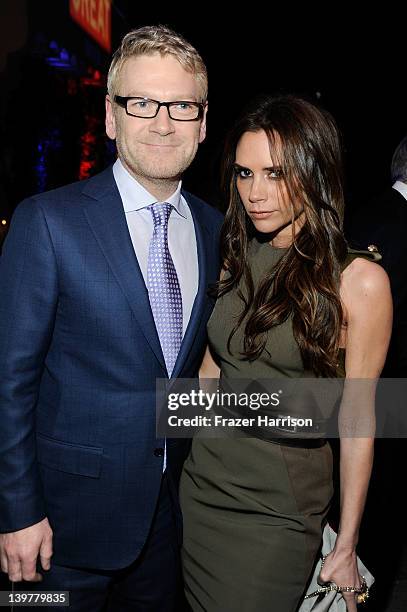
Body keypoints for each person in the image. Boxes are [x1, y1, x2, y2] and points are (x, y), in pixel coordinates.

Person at [0, 25, 222, 611]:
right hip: (59, 534)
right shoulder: (48, 221)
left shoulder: (215, 229)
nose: (163, 121)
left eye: (181, 105)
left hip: (171, 527)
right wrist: (17, 512)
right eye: (142, 102)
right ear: (111, 115)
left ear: (202, 121)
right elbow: (9, 382)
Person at [179, 95, 392, 611]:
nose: (256, 193)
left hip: (277, 510)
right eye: (244, 174)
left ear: (314, 170)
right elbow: (213, 368)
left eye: (275, 174)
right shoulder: (233, 254)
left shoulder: (358, 280)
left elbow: (358, 420)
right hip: (202, 490)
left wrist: (346, 545)